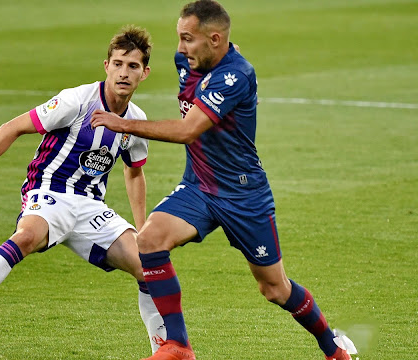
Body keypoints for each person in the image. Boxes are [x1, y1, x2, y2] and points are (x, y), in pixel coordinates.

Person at [90, 2, 357, 360]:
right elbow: (208, 64)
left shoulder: (236, 77)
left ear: (214, 39)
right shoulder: (189, 60)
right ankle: (177, 345)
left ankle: (332, 348)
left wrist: (122, 123)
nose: (181, 48)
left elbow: (187, 130)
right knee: (150, 239)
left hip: (243, 195)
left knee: (274, 288)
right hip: (198, 185)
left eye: (188, 39)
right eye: (179, 38)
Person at [0, 25, 168, 354]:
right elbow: (13, 127)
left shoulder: (135, 122)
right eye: (118, 63)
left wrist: (142, 230)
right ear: (106, 66)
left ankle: (163, 351)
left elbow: (134, 173)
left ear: (145, 72)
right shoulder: (76, 100)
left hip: (89, 208)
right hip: (49, 192)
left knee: (149, 267)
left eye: (133, 66)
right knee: (26, 237)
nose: (124, 73)